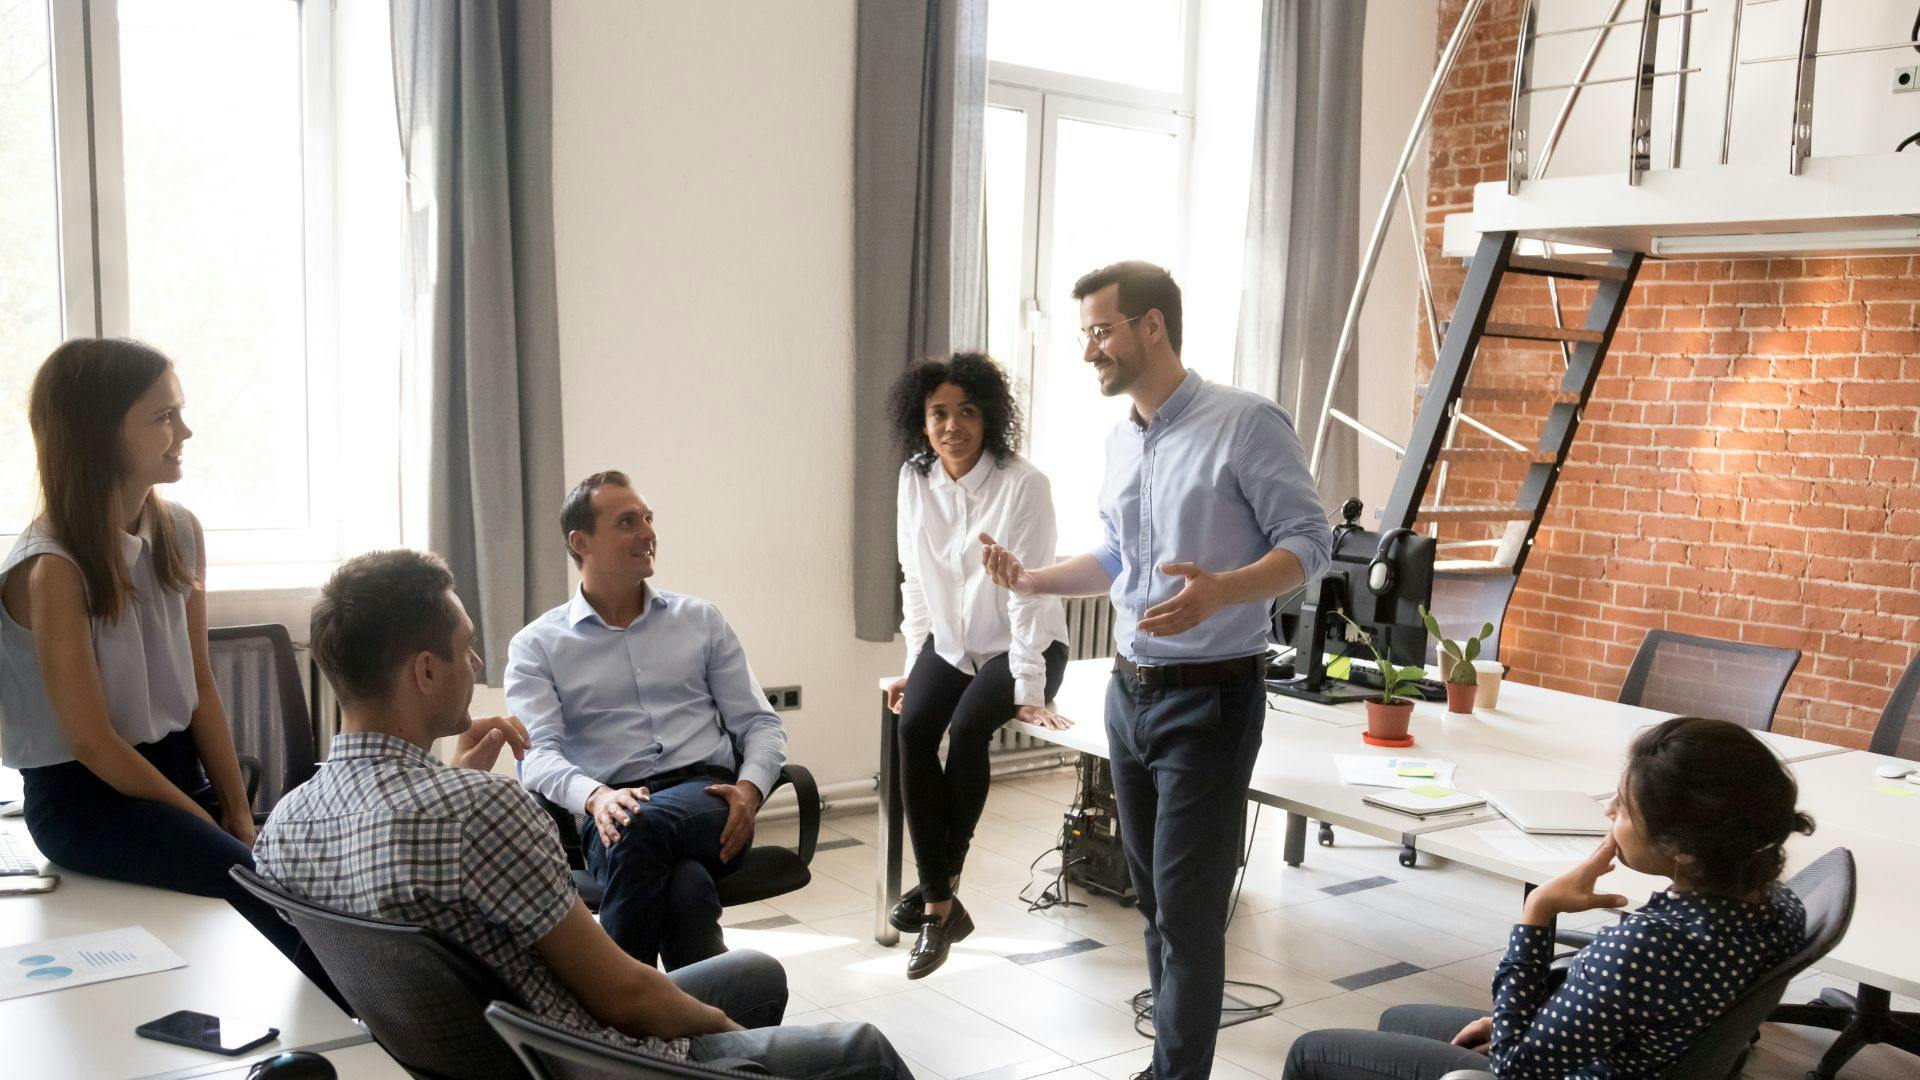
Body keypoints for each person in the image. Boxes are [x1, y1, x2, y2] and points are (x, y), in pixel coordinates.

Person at [255, 550, 910, 1079]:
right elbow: (624, 996)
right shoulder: (481, 811)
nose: (476, 665)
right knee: (862, 1048)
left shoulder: (286, 826)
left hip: (484, 1054)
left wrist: (453, 778)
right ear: (426, 671)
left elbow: (401, 853)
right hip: (591, 1061)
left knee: (756, 971)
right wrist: (732, 1047)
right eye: (466, 649)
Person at [981, 261, 1333, 1080]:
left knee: (1188, 913)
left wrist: (1225, 592)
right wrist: (1032, 580)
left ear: (1152, 327)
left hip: (1210, 698)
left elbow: (1309, 543)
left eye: (1100, 332)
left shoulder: (1246, 424)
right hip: (1130, 696)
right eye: (1085, 336)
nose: (1088, 351)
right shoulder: (1119, 438)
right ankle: (1167, 1068)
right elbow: (1114, 555)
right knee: (1153, 905)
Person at [0, 337, 334, 998]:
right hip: (86, 801)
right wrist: (202, 824)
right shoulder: (53, 567)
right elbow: (92, 743)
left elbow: (201, 682)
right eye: (162, 417)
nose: (184, 431)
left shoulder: (180, 531)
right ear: (99, 433)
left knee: (288, 883)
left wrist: (239, 812)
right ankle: (399, 1032)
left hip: (173, 774)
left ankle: (361, 1028)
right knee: (278, 901)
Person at [1281, 715, 1814, 1080]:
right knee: (1400, 1017)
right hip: (1630, 1055)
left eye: (1626, 808)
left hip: (1574, 1070)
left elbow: (1515, 1067)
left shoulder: (1647, 947)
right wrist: (1536, 1013)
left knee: (1313, 1052)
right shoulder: (1776, 905)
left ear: (1685, 849)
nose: (1608, 811)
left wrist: (1539, 913)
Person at [507, 471, 787, 970]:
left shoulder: (701, 620)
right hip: (609, 809)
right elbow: (538, 754)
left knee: (640, 832)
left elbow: (759, 724)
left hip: (708, 801)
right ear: (581, 542)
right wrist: (595, 796)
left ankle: (612, 1013)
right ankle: (705, 1028)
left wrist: (751, 789)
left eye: (648, 518)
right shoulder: (537, 644)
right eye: (627, 522)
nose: (647, 532)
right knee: (686, 888)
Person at [882, 354, 1070, 978]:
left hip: (1028, 642)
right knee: (910, 730)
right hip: (953, 643)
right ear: (923, 419)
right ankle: (943, 902)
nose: (952, 425)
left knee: (966, 731)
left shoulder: (1023, 484)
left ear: (988, 415)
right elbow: (914, 577)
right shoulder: (915, 479)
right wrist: (916, 662)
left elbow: (1031, 592)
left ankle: (936, 902)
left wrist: (1028, 686)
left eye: (966, 410)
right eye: (939, 413)